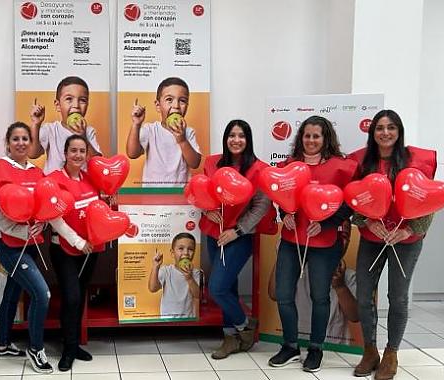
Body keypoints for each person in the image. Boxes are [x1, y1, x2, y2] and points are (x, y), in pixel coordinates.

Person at [349, 110, 437, 380]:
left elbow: (429, 199)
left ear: (399, 131)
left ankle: (391, 353)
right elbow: (354, 199)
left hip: (406, 240)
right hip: (373, 238)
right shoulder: (362, 162)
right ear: (372, 133)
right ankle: (370, 350)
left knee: (397, 297)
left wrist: (411, 229)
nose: (385, 133)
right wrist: (365, 221)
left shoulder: (415, 161)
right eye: (379, 128)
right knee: (364, 295)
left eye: (390, 128)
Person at [268, 115, 357, 373]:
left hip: (324, 243)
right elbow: (278, 196)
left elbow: (349, 204)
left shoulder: (340, 168)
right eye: (307, 135)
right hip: (290, 241)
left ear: (325, 138)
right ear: (301, 138)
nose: (311, 140)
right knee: (284, 294)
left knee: (319, 296)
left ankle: (316, 349)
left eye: (316, 135)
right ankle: (290, 346)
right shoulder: (289, 165)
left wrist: (328, 224)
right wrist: (283, 216)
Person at [0, 122, 53, 374]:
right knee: (41, 294)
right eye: (16, 139)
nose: (21, 143)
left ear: (31, 144)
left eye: (25, 139)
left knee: (12, 294)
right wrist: (21, 231)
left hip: (31, 244)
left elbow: (45, 206)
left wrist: (41, 225)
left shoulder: (37, 172)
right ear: (7, 142)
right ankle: (36, 349)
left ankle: (2, 345)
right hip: (8, 245)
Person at [200, 120, 272, 359]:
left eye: (242, 135)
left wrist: (237, 231)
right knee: (227, 287)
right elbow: (202, 192)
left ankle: (245, 326)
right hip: (214, 233)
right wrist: (205, 209)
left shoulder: (259, 169)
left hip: (239, 237)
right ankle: (230, 338)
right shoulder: (212, 163)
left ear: (248, 139)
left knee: (217, 288)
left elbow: (261, 207)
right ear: (226, 138)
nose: (236, 140)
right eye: (232, 135)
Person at [46, 134, 106, 371]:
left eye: (82, 151)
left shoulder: (91, 179)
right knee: (70, 296)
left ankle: (73, 343)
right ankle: (68, 349)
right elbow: (54, 217)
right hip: (64, 248)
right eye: (74, 151)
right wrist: (78, 241)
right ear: (65, 153)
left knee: (80, 296)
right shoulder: (54, 180)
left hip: (91, 249)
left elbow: (98, 210)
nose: (78, 155)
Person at [268, 222, 359, 346]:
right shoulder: (298, 268)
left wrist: (340, 286)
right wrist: (282, 257)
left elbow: (355, 316)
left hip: (335, 345)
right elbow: (274, 294)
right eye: (330, 234)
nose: (336, 241)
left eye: (343, 236)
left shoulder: (349, 276)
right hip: (298, 340)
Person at [126, 77, 201, 187]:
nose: (176, 106)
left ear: (187, 106)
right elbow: (132, 153)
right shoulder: (150, 130)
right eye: (169, 99)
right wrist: (136, 124)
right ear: (158, 106)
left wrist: (182, 140)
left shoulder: (188, 132)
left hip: (180, 196)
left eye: (182, 101)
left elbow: (195, 163)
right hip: (152, 196)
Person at [29, 76, 103, 174]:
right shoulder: (51, 129)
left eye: (82, 100)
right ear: (58, 105)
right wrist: (36, 124)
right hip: (55, 185)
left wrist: (83, 136)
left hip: (80, 185)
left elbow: (97, 163)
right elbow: (32, 154)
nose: (76, 105)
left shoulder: (88, 132)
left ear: (87, 105)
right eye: (69, 99)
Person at [147, 232, 202, 319]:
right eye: (181, 248)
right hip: (167, 319)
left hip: (188, 319)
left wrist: (189, 278)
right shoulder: (166, 271)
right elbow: (152, 288)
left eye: (190, 249)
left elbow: (198, 295)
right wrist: (155, 267)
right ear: (172, 253)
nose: (186, 252)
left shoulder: (196, 273)